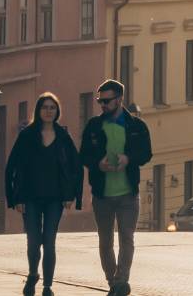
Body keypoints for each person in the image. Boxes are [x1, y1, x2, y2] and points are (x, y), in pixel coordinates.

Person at [78, 80, 152, 296]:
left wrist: (128, 158)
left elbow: (146, 153)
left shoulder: (136, 126)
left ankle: (122, 280)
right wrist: (98, 164)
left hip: (128, 193)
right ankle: (113, 281)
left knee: (127, 238)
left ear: (119, 99)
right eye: (100, 100)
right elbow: (83, 155)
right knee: (105, 241)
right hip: (102, 194)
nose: (102, 104)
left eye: (107, 101)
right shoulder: (94, 126)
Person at [5, 93, 83, 296]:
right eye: (45, 107)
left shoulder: (63, 136)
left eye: (52, 108)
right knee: (33, 240)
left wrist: (72, 196)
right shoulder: (27, 135)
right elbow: (12, 166)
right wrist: (15, 198)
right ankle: (32, 275)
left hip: (55, 198)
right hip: (30, 197)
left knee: (49, 241)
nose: (49, 111)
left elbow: (76, 166)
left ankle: (48, 286)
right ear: (38, 111)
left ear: (57, 112)